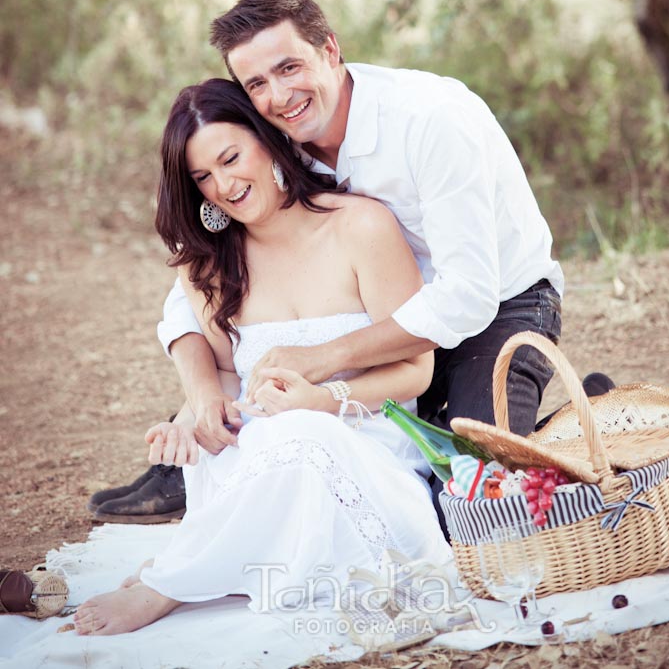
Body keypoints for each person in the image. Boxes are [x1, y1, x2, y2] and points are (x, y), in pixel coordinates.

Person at [92, 0, 612, 520]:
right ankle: (203, 463)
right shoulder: (272, 139)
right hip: (388, 315)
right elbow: (195, 293)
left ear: (331, 50)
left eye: (289, 67)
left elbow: (468, 298)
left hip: (500, 307)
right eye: (257, 84)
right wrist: (203, 399)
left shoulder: (433, 120)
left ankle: (570, 427)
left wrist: (325, 357)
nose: (279, 94)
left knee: (470, 503)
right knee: (353, 473)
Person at [74, 78, 450, 635]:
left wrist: (324, 399)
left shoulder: (360, 226)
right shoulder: (205, 262)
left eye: (231, 158)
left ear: (268, 140)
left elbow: (417, 368)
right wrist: (193, 418)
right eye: (203, 177)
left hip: (366, 444)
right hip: (262, 446)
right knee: (263, 440)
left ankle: (171, 583)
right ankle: (207, 562)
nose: (224, 185)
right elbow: (226, 374)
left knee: (302, 433)